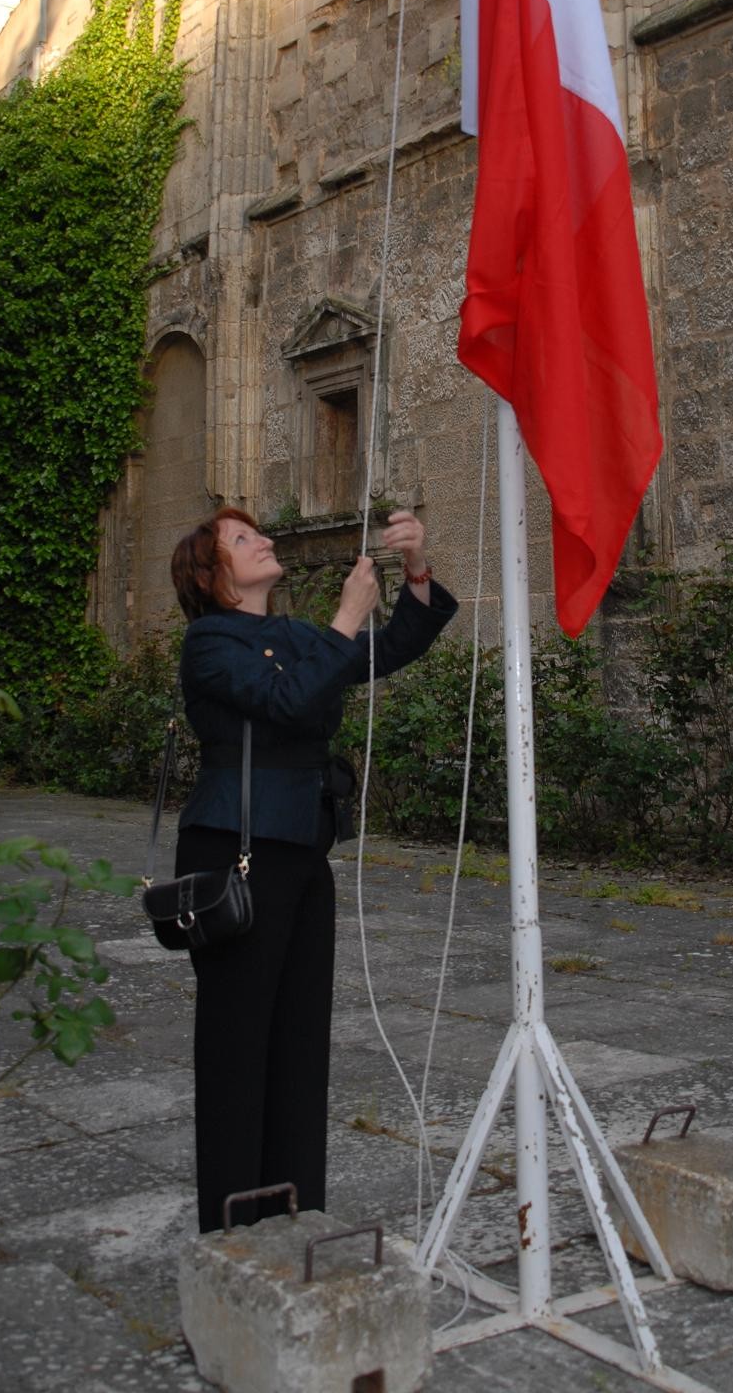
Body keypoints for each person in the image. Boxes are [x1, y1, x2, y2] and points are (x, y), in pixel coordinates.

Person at [169, 505, 456, 1233]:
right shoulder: (209, 642)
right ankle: (232, 1228)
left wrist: (414, 569)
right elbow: (288, 701)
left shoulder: (295, 635)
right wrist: (346, 617)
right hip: (236, 854)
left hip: (300, 850)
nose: (264, 539)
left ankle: (295, 1215)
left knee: (300, 1041)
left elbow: (391, 648)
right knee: (238, 1043)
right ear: (211, 576)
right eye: (243, 539)